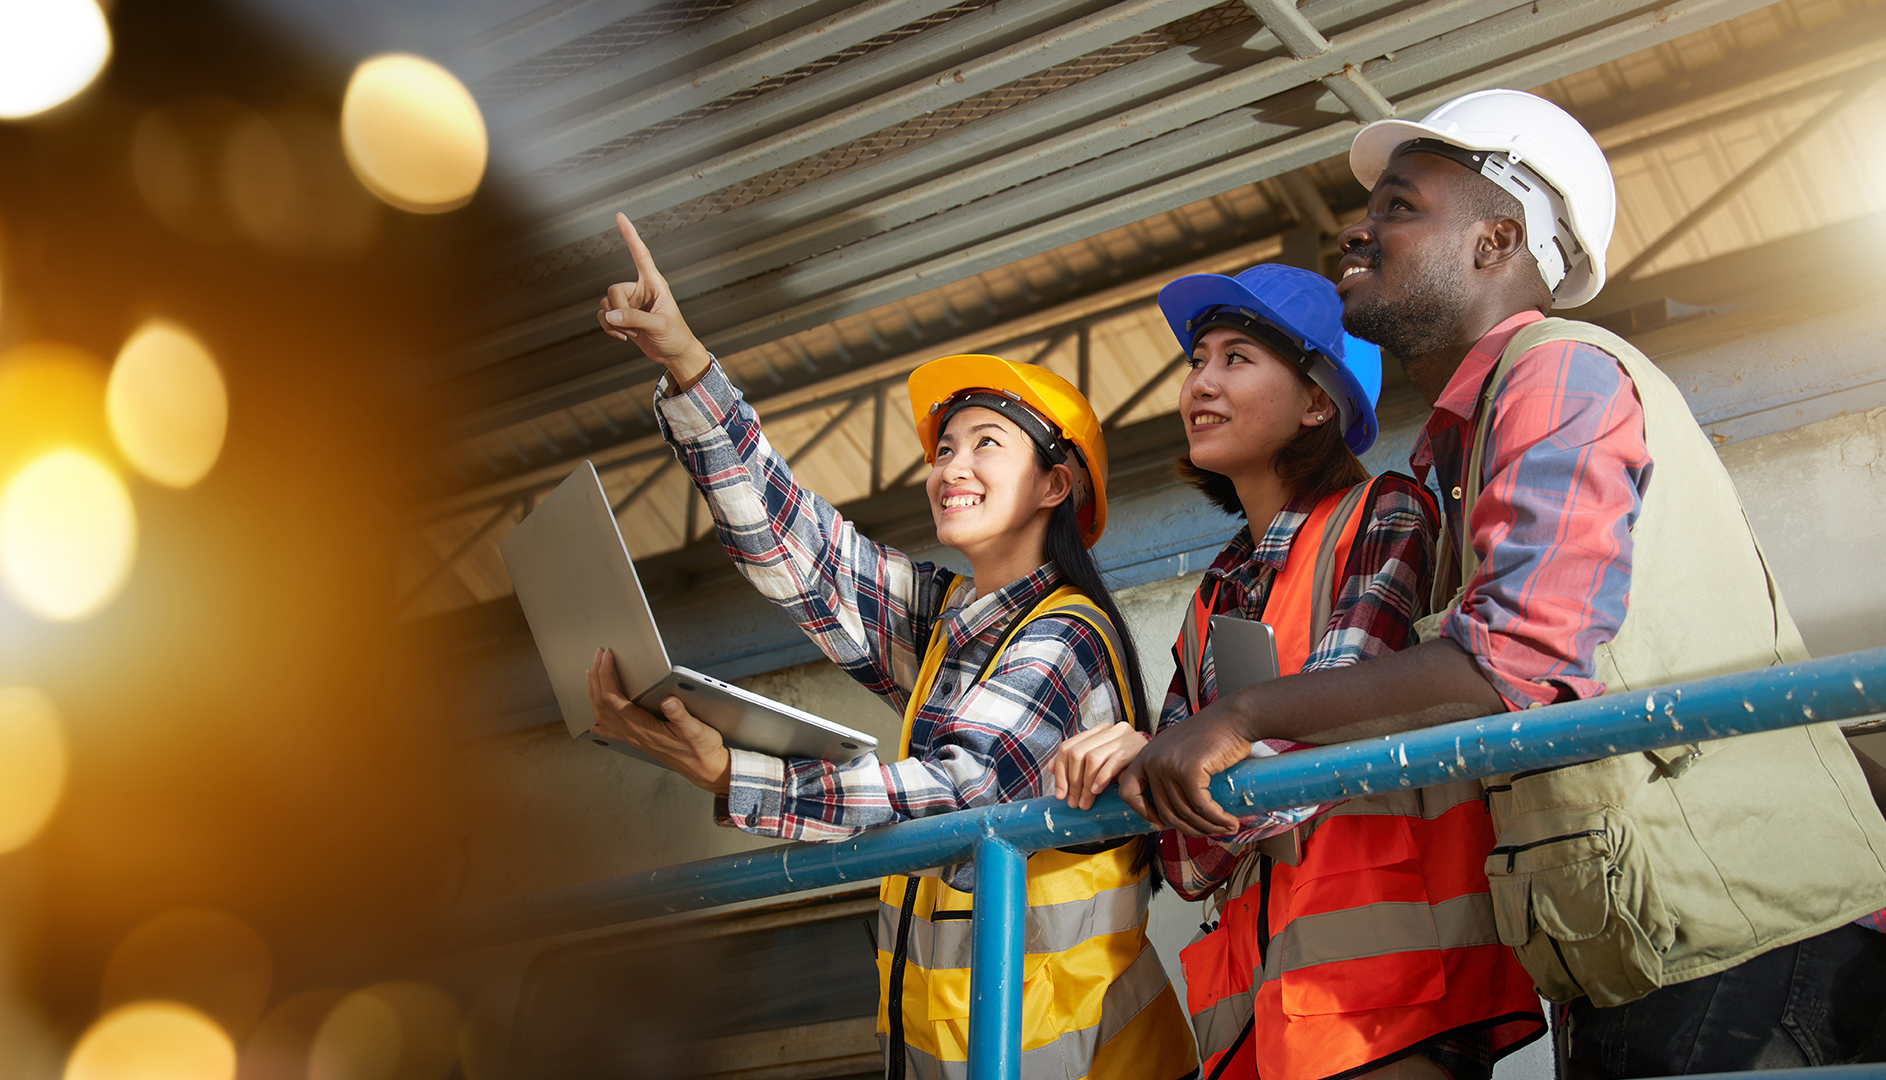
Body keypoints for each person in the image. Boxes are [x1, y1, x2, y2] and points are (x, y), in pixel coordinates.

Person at [1120, 89, 1886, 1074]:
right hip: (1659, 936)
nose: (1361, 228)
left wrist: (1240, 714)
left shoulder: (1556, 370)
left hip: (1741, 933)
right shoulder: (1471, 442)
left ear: (1496, 241)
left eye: (1401, 206)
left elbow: (1519, 656)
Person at [583, 213, 1200, 1080]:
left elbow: (958, 796)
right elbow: (796, 550)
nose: (952, 466)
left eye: (988, 444)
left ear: (1055, 484)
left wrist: (737, 776)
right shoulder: (954, 622)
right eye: (945, 448)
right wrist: (685, 363)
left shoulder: (1064, 636)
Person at [1048, 263, 1543, 1080]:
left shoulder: (1386, 512)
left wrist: (1184, 775)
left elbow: (1330, 729)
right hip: (1259, 1016)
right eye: (1197, 359)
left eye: (1236, 358)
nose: (1200, 382)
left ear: (1320, 401)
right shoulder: (1218, 590)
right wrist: (1146, 768)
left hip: (1392, 997)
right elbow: (1182, 860)